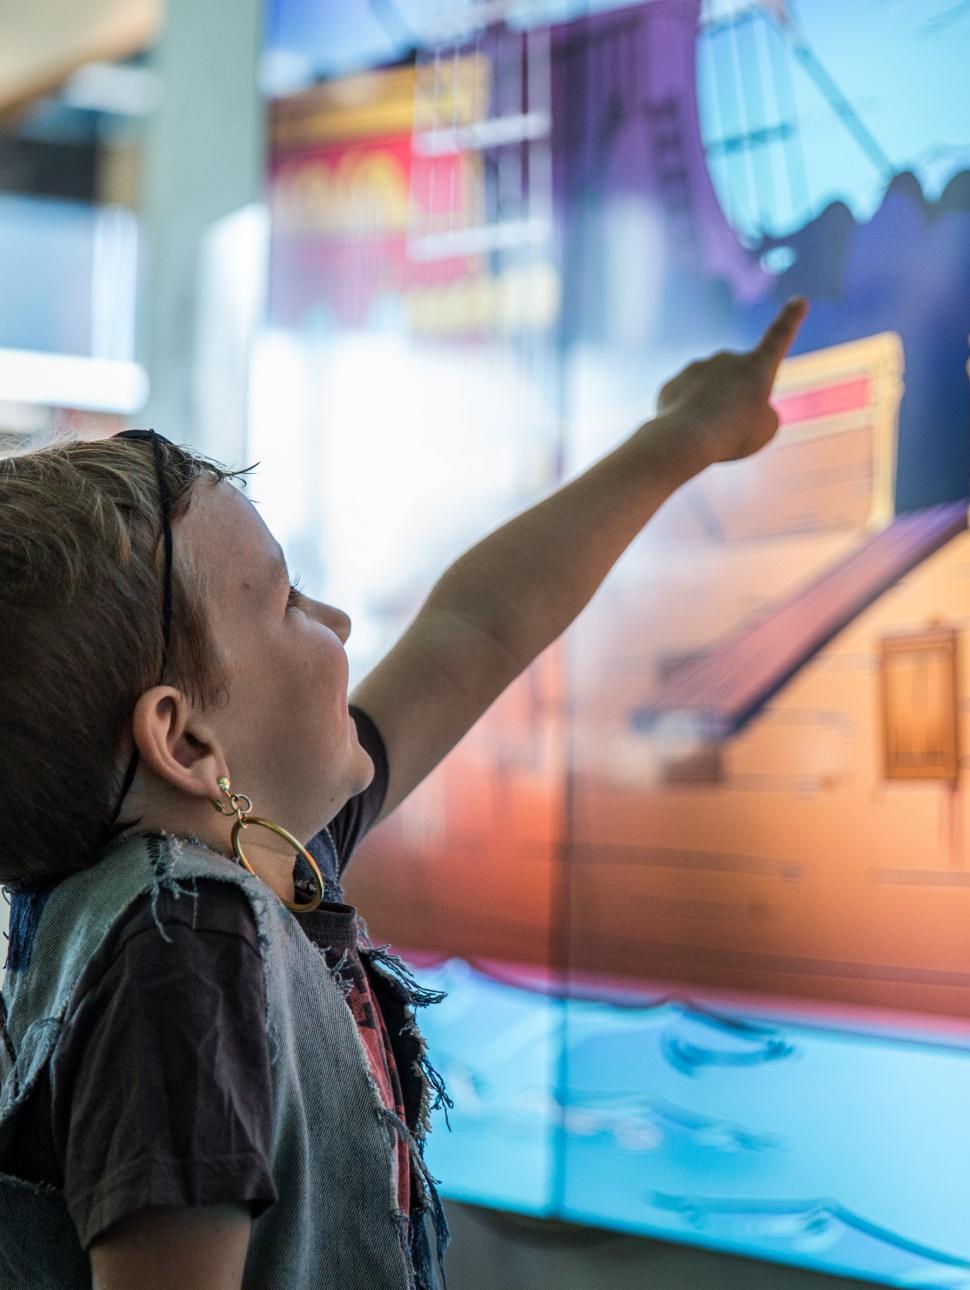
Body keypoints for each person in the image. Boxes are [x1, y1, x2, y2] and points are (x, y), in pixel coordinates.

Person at [0, 298, 807, 1289]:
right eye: (288, 602)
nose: (335, 619)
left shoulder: (237, 869)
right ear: (186, 739)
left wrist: (682, 437)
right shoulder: (188, 945)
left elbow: (474, 627)